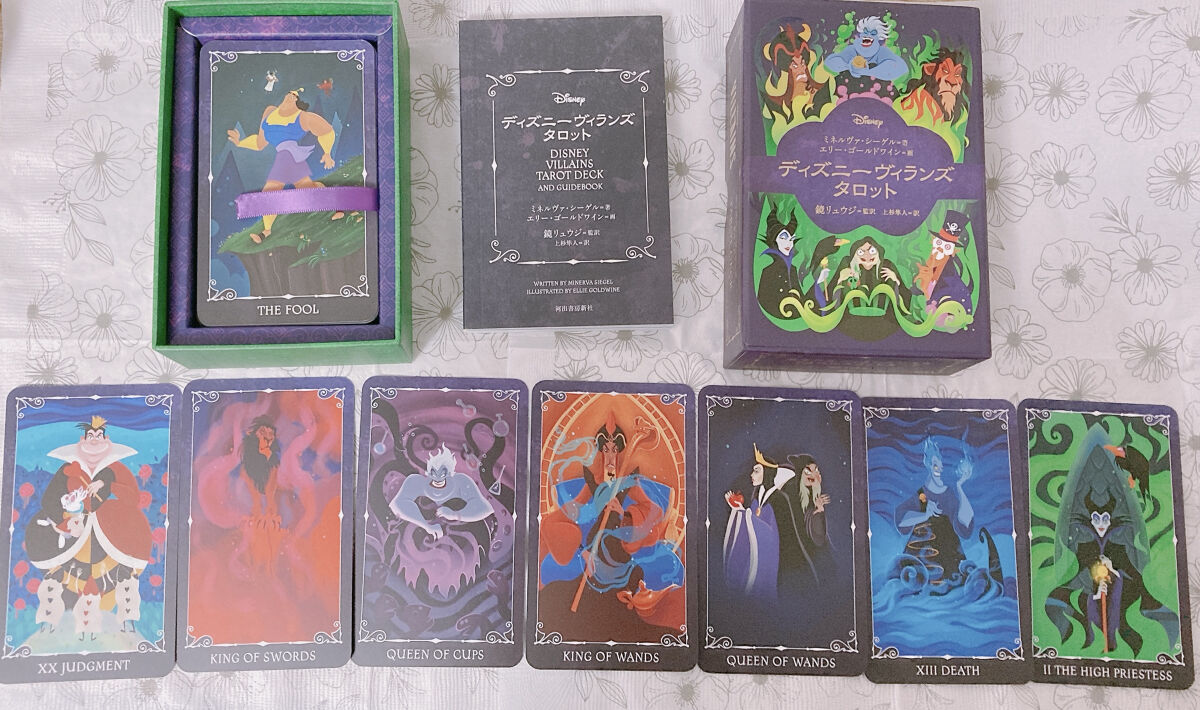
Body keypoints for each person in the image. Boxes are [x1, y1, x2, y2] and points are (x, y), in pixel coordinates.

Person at [539, 414, 684, 641]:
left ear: (619, 452)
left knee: (622, 587)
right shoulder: (593, 480)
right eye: (605, 449)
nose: (609, 454)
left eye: (613, 449)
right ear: (600, 451)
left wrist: (626, 514)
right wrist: (580, 542)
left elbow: (654, 510)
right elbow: (575, 508)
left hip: (618, 542)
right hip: (594, 543)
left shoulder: (627, 480)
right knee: (577, 593)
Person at [25, 416, 152, 620]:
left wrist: (106, 484)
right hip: (72, 524)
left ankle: (111, 606)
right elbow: (49, 499)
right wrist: (63, 520)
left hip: (109, 527)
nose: (94, 439)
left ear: (106, 440)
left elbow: (132, 498)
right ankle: (66, 605)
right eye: (90, 435)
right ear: (82, 440)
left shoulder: (116, 468)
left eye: (99, 435)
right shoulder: (69, 468)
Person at [227, 87, 339, 243]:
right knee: (305, 189)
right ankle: (266, 231)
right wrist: (240, 142)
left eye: (295, 96)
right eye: (290, 93)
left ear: (298, 103)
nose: (291, 96)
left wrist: (327, 153)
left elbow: (326, 130)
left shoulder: (302, 117)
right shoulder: (269, 112)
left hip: (290, 156)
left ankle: (266, 232)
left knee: (273, 192)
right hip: (284, 157)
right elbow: (259, 143)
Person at [893, 438, 975, 586]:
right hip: (921, 557)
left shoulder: (948, 494)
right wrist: (924, 515)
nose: (940, 468)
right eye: (936, 464)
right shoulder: (922, 495)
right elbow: (901, 519)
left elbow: (964, 523)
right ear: (929, 465)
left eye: (940, 464)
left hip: (948, 552)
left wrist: (960, 486)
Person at [722, 447, 781, 599]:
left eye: (756, 471)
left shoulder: (779, 500)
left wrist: (746, 514)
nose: (751, 474)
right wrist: (739, 511)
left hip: (769, 562)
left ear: (767, 473)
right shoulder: (756, 498)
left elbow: (773, 536)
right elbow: (750, 527)